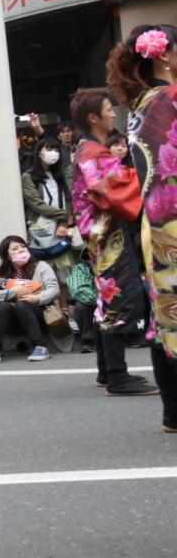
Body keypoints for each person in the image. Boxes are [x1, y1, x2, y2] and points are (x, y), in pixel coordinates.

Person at [108, 24, 177, 418]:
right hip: (173, 216)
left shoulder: (140, 107)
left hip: (157, 224)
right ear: (164, 55)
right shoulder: (168, 99)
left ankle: (172, 409)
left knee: (165, 312)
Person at [70, 87, 156, 397]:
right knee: (117, 296)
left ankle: (108, 371)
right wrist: (150, 173)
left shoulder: (89, 150)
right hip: (106, 234)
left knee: (107, 298)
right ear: (93, 118)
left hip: (100, 233)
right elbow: (112, 189)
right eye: (108, 109)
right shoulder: (93, 152)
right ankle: (118, 377)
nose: (112, 113)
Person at [0, 236, 56, 364]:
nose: (21, 250)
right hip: (9, 321)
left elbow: (54, 289)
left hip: (37, 316)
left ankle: (40, 346)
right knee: (4, 305)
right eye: (15, 249)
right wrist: (13, 292)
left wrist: (37, 298)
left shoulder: (40, 266)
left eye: (23, 247)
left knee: (22, 304)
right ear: (7, 256)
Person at [22, 138, 79, 285]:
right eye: (48, 149)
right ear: (39, 153)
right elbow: (37, 205)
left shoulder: (59, 175)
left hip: (60, 229)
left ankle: (65, 307)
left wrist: (64, 223)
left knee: (65, 274)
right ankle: (50, 307)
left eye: (56, 150)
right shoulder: (29, 177)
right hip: (40, 229)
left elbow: (68, 199)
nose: (53, 153)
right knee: (45, 273)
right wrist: (66, 216)